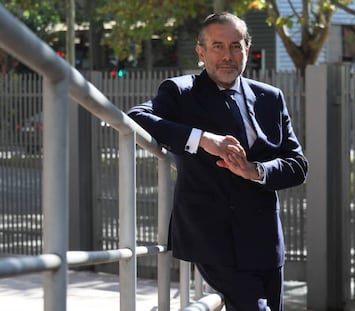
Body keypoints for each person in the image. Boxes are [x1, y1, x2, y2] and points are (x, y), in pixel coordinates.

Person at [127, 12, 308, 311]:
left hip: (266, 241)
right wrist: (203, 140)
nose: (228, 55)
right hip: (213, 240)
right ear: (201, 51)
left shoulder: (270, 98)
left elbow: (297, 165)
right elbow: (137, 118)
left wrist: (256, 171)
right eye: (217, 46)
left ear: (247, 49)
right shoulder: (181, 92)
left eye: (236, 46)